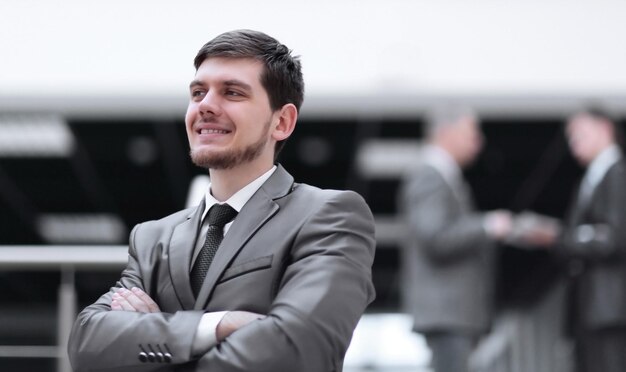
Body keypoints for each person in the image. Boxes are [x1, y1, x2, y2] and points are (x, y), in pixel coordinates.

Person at [67, 29, 376, 372]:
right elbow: (88, 345)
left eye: (232, 92)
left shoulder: (329, 215)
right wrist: (218, 324)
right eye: (198, 92)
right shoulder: (152, 237)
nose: (206, 106)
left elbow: (295, 351)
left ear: (282, 121)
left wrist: (158, 342)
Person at [397, 104, 512, 372]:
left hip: (451, 310)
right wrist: (487, 226)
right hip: (447, 310)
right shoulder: (429, 174)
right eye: (471, 133)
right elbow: (436, 237)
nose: (478, 142)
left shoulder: (444, 176)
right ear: (446, 132)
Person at [557, 107, 626, 372]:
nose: (575, 145)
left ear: (605, 128)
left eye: (580, 135)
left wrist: (567, 239)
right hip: (591, 310)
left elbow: (614, 237)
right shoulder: (590, 179)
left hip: (611, 309)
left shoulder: (617, 175)